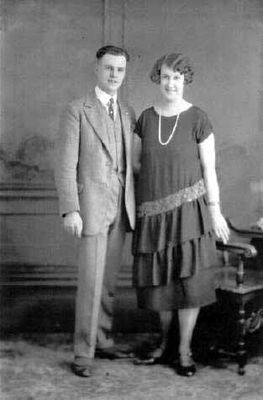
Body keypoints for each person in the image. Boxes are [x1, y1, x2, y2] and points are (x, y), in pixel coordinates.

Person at [132, 52, 230, 377]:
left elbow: (209, 169)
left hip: (191, 214)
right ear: (157, 79)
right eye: (165, 76)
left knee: (189, 283)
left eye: (176, 76)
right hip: (154, 216)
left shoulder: (198, 118)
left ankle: (184, 350)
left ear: (185, 79)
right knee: (160, 284)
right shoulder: (145, 119)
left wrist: (214, 211)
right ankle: (164, 344)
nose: (170, 82)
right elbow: (134, 166)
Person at [55, 45, 136, 377]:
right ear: (97, 69)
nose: (114, 74)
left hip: (121, 207)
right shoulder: (77, 109)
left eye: (119, 69)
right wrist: (70, 210)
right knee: (90, 282)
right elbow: (64, 166)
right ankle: (83, 354)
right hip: (90, 208)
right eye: (108, 68)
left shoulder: (128, 111)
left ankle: (102, 339)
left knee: (108, 282)